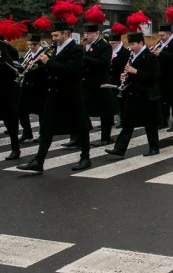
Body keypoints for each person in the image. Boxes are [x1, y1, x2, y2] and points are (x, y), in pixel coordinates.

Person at [17, 20, 92, 172]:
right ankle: (38, 161)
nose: (54, 38)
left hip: (70, 94)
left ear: (65, 33)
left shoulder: (75, 49)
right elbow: (51, 70)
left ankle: (85, 157)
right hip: (54, 94)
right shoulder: (55, 48)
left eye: (56, 35)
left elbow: (71, 70)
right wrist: (38, 67)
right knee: (46, 128)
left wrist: (48, 62)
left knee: (80, 127)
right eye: (53, 35)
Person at [104, 31, 161, 157]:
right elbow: (131, 73)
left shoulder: (149, 56)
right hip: (133, 93)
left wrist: (135, 71)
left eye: (133, 44)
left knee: (149, 123)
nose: (131, 47)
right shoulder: (131, 55)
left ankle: (154, 147)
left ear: (141, 43)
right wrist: (125, 76)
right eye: (129, 44)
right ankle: (119, 148)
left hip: (146, 95)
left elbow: (154, 76)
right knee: (128, 122)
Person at [79, 24, 116, 148]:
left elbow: (105, 63)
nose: (87, 36)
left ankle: (106, 137)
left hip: (100, 82)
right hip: (87, 82)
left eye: (89, 34)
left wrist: (85, 59)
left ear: (97, 34)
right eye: (85, 34)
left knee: (105, 111)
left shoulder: (104, 46)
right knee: (82, 109)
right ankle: (78, 136)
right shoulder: (85, 46)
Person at [17, 35, 47, 143]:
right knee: (21, 109)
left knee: (41, 112)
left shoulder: (44, 52)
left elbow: (48, 68)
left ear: (38, 44)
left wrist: (37, 68)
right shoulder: (29, 53)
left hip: (39, 86)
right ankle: (27, 132)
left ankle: (42, 134)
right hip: (27, 85)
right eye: (28, 44)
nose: (30, 47)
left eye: (32, 45)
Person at [108, 30, 131, 127]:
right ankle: (109, 120)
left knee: (121, 102)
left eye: (113, 43)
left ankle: (123, 120)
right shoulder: (108, 51)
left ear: (118, 42)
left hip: (119, 80)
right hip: (110, 80)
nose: (111, 45)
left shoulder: (125, 53)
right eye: (110, 43)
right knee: (109, 101)